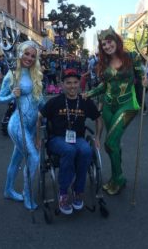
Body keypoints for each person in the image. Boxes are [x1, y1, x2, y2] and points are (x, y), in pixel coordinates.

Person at [83, 26, 147, 196]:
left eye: (109, 42)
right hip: (108, 106)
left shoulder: (132, 57)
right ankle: (115, 177)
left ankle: (118, 179)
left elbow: (142, 77)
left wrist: (146, 80)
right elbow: (105, 86)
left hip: (127, 105)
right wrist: (88, 93)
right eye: (103, 44)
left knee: (109, 143)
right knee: (113, 145)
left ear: (117, 41)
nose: (107, 46)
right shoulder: (103, 64)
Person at [37, 68, 102, 215]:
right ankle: (63, 193)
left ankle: (78, 190)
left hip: (77, 138)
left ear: (79, 83)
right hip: (57, 139)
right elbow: (39, 117)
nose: (72, 86)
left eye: (75, 82)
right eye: (68, 83)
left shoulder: (85, 102)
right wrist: (37, 138)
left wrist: (97, 137)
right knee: (69, 150)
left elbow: (98, 119)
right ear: (62, 84)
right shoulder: (54, 102)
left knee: (86, 150)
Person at [0, 40, 44, 210]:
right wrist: (12, 94)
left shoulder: (36, 74)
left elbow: (40, 101)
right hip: (18, 125)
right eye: (26, 54)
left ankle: (8, 190)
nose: (29, 58)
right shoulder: (13, 74)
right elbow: (0, 98)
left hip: (32, 126)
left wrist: (53, 111)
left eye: (33, 55)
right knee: (33, 157)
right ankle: (28, 195)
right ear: (20, 53)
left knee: (16, 160)